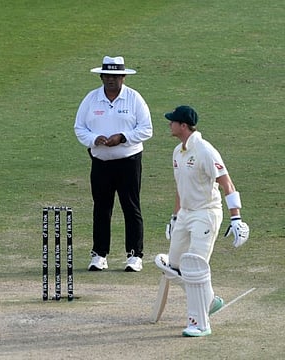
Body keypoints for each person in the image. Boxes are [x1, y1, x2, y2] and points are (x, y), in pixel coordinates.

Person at [156, 105, 249, 336]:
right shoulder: (178, 152)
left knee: (194, 266)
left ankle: (199, 323)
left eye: (173, 121)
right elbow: (180, 187)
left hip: (206, 213)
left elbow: (227, 183)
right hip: (186, 214)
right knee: (174, 267)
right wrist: (175, 217)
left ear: (183, 125)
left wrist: (236, 218)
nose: (170, 124)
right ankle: (209, 301)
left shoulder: (206, 151)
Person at [74, 56, 153, 272]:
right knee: (101, 208)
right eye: (107, 75)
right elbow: (79, 127)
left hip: (129, 161)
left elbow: (146, 129)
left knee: (131, 207)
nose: (111, 79)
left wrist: (123, 137)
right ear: (101, 76)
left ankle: (135, 255)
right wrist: (94, 139)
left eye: (115, 76)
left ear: (123, 77)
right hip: (101, 162)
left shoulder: (134, 98)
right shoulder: (91, 99)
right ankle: (99, 254)